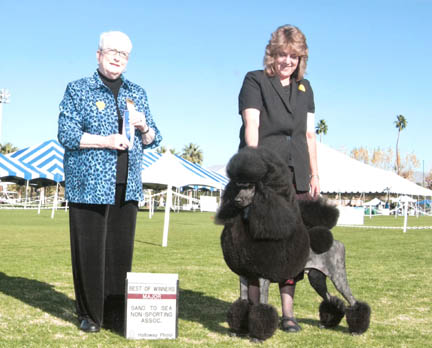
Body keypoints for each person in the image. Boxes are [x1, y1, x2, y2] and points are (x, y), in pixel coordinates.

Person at [58, 31, 161, 333]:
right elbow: (67, 134)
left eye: (124, 54)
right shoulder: (78, 89)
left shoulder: (137, 92)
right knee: (89, 253)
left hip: (126, 185)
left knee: (119, 254)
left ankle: (116, 313)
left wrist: (144, 128)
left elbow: (155, 137)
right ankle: (90, 315)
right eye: (111, 51)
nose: (117, 57)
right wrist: (106, 141)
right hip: (88, 184)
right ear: (98, 54)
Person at [238, 24, 320, 333]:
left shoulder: (306, 88)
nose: (287, 61)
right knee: (258, 243)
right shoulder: (255, 80)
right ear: (272, 54)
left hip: (296, 176)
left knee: (291, 246)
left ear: (301, 59)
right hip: (265, 172)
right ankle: (256, 310)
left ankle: (288, 313)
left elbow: (310, 134)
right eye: (282, 54)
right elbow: (252, 125)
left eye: (294, 56)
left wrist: (314, 173)